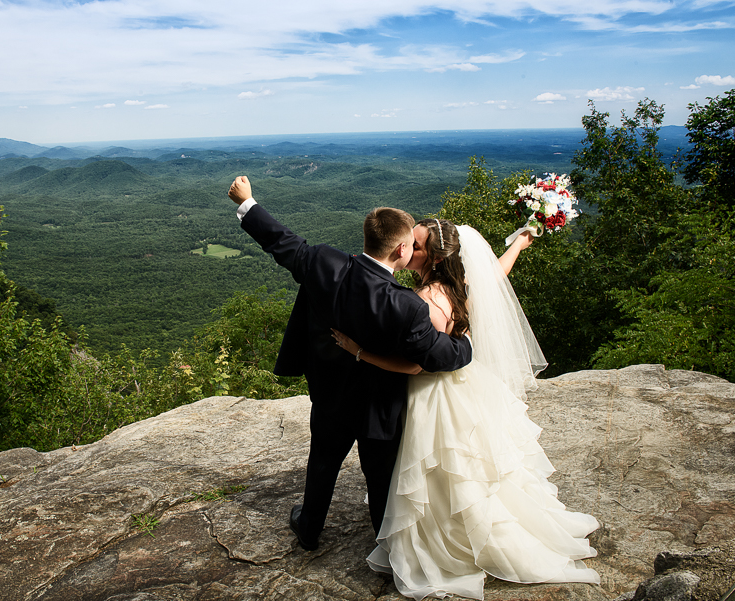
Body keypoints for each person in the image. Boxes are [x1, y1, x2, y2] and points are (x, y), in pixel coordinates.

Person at [332, 218, 600, 600]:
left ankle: (450, 538)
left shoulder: (426, 301)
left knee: (441, 466)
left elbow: (416, 365)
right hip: (468, 385)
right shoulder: (462, 284)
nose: (408, 246)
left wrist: (359, 352)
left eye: (418, 245)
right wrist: (520, 243)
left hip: (434, 393)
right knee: (474, 465)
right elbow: (497, 272)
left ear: (436, 258)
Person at [227, 177, 473, 552]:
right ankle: (387, 549)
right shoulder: (408, 306)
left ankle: (309, 527)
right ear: (403, 248)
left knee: (322, 463)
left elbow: (280, 242)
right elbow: (439, 356)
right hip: (380, 408)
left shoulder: (324, 262)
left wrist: (247, 202)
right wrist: (467, 346)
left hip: (330, 395)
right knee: (379, 480)